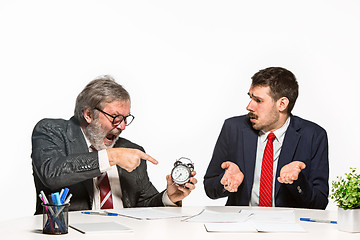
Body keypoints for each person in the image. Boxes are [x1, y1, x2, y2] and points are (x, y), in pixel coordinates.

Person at [32, 75, 197, 214]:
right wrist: (111, 157)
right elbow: (51, 172)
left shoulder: (132, 150)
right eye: (116, 117)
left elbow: (144, 205)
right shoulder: (52, 131)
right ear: (89, 114)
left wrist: (169, 197)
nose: (122, 126)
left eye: (126, 118)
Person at [203, 67, 329, 209]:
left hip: (289, 226)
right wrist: (225, 182)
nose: (249, 106)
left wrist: (298, 181)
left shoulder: (313, 136)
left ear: (282, 104)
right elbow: (210, 187)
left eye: (258, 100)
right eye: (250, 97)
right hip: (242, 225)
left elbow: (320, 203)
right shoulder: (233, 128)